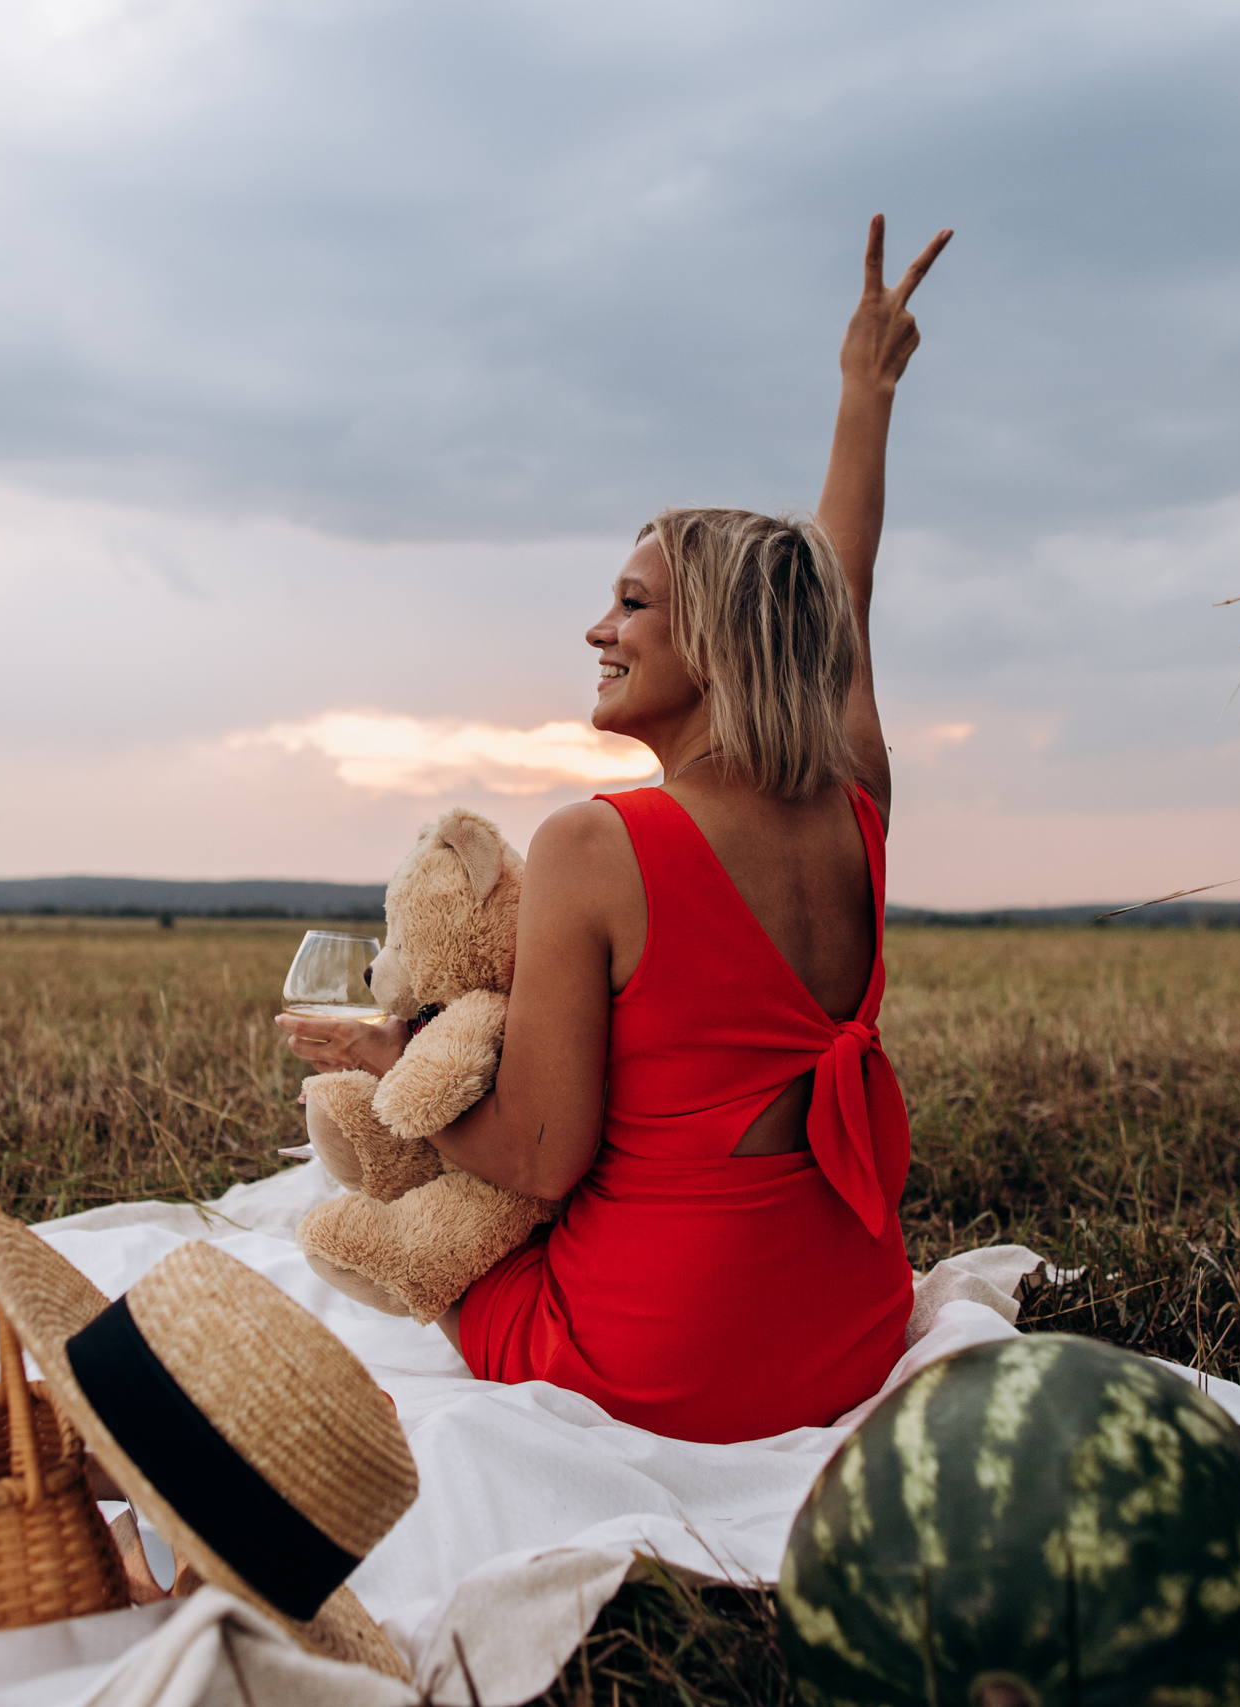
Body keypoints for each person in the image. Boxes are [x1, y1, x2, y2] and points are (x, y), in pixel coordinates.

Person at [277, 216, 952, 1443]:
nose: (598, 630)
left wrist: (391, 1057)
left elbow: (536, 1156)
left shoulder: (596, 845)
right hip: (847, 1326)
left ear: (723, 643)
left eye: (631, 604)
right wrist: (867, 392)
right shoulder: (857, 803)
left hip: (661, 1361)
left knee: (457, 1208)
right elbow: (842, 597)